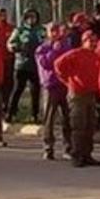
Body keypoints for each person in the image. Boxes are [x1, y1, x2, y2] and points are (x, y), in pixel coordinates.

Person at [54, 31, 100, 168]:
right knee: (78, 125)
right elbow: (58, 65)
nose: (93, 43)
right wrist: (69, 81)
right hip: (77, 94)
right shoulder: (76, 54)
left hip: (91, 94)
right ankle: (76, 155)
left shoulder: (96, 56)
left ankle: (87, 154)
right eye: (91, 41)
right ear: (84, 41)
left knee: (90, 125)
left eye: (95, 41)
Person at [36, 23, 73, 161]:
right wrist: (54, 50)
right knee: (49, 118)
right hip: (50, 86)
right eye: (52, 31)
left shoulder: (67, 46)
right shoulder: (43, 48)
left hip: (65, 85)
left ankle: (68, 147)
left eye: (58, 30)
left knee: (67, 118)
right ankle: (48, 147)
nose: (56, 33)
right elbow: (45, 63)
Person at [7, 9, 45, 123]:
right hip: (22, 64)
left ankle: (35, 114)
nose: (31, 19)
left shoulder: (41, 31)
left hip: (36, 65)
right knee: (18, 89)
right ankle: (11, 113)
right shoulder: (20, 30)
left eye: (34, 17)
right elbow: (10, 44)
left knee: (35, 91)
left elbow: (46, 42)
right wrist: (18, 48)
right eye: (29, 17)